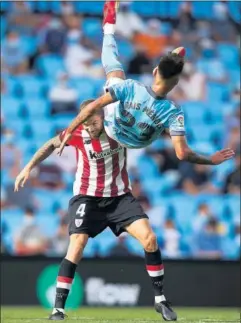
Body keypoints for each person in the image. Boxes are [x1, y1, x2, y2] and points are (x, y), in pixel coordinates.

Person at [14, 98, 177, 321]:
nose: (89, 128)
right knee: (77, 245)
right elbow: (51, 144)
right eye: (86, 124)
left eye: (93, 123)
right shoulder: (78, 133)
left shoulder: (119, 128)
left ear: (102, 117)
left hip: (119, 198)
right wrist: (28, 167)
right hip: (87, 198)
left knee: (150, 239)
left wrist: (168, 126)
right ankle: (58, 310)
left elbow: (150, 128)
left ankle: (160, 300)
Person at [59, 0, 235, 169]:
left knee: (114, 71)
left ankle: (109, 30)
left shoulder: (130, 88)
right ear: (176, 82)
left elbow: (92, 107)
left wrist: (69, 131)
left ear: (154, 72)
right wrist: (211, 160)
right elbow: (182, 154)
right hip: (138, 144)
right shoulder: (174, 112)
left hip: (115, 129)